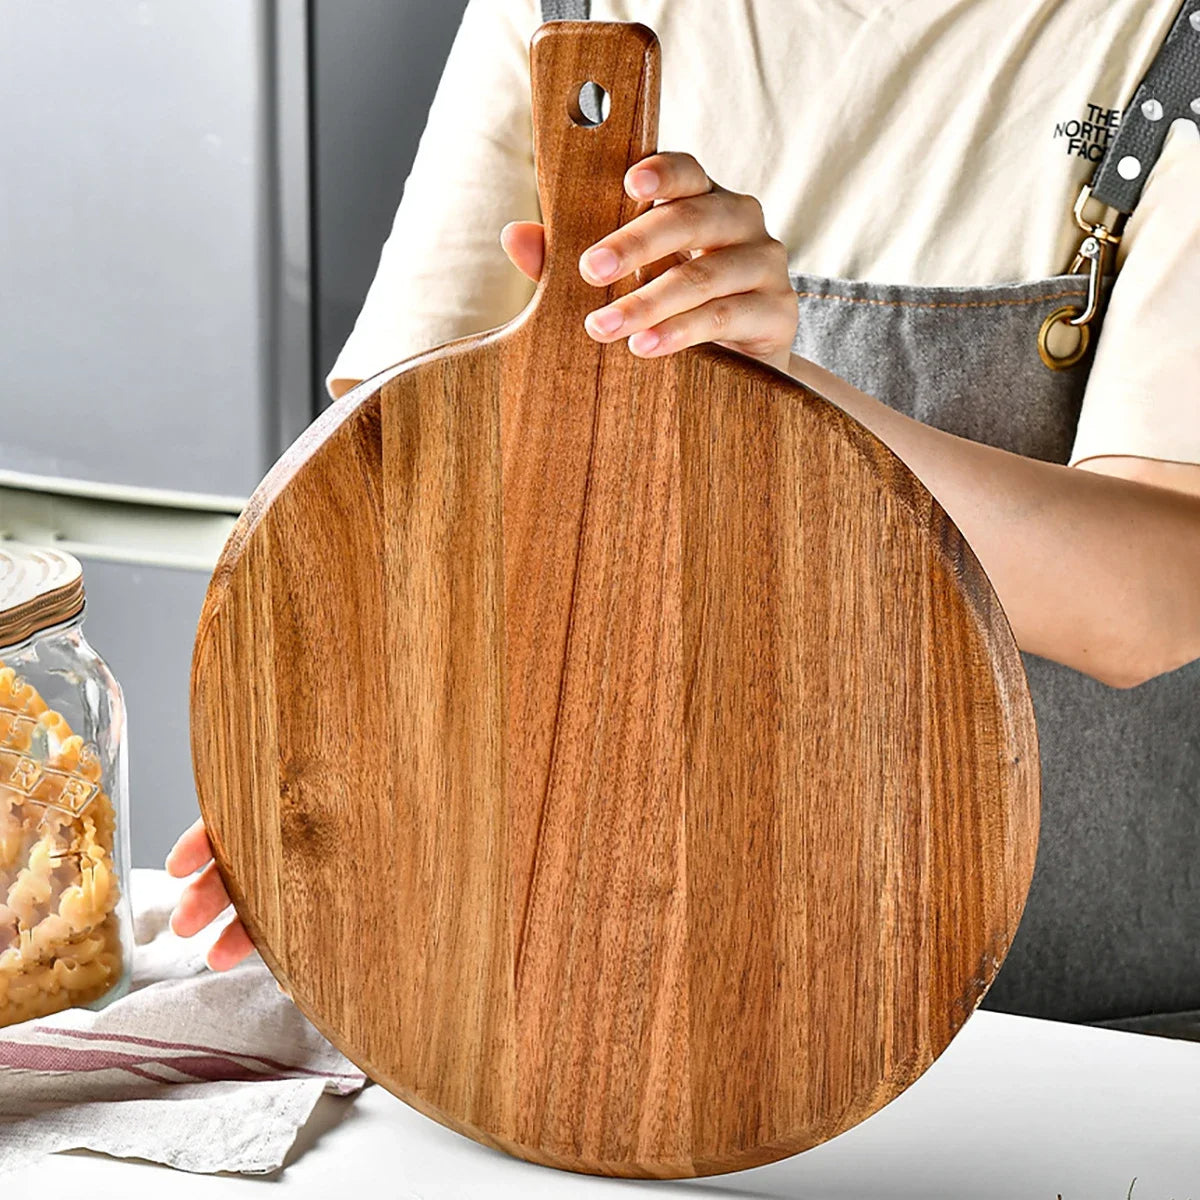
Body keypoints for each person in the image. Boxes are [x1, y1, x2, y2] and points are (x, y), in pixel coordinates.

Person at [167, 0, 1200, 1024]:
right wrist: (329, 779)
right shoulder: (564, 9)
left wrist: (785, 388)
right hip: (629, 1008)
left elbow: (1148, 600)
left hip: (1078, 1041)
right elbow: (388, 492)